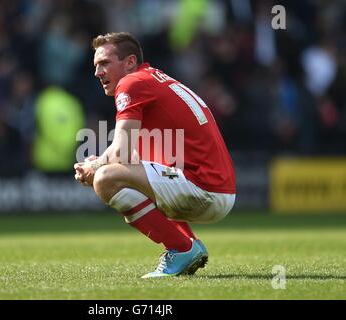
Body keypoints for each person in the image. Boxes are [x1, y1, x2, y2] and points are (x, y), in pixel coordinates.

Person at [74, 32, 236, 278]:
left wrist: (95, 169)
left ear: (129, 62)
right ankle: (190, 246)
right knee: (116, 172)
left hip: (204, 188)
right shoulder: (155, 80)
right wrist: (98, 162)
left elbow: (121, 151)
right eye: (96, 66)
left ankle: (181, 249)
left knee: (106, 179)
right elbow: (132, 155)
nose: (98, 72)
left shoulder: (131, 84)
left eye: (105, 63)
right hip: (217, 188)